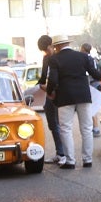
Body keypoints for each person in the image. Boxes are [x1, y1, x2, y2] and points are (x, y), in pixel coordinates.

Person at [47, 35, 101, 169]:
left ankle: (70, 161)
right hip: (84, 95)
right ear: (67, 43)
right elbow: (97, 75)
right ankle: (87, 160)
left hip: (65, 97)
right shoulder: (83, 57)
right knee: (87, 128)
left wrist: (50, 92)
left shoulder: (54, 59)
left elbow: (53, 80)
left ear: (57, 46)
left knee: (65, 128)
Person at [36, 34, 66, 164]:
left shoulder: (58, 58)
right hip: (49, 95)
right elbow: (43, 77)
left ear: (52, 45)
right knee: (53, 125)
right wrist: (38, 86)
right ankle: (60, 152)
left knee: (60, 125)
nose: (47, 52)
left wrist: (47, 88)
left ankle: (64, 154)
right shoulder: (46, 58)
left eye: (47, 49)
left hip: (57, 94)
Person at [81, 42, 101, 137]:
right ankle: (94, 127)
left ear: (83, 49)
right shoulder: (92, 59)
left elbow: (89, 73)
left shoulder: (86, 59)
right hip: (95, 84)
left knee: (91, 107)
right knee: (92, 107)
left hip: (92, 85)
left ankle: (95, 128)